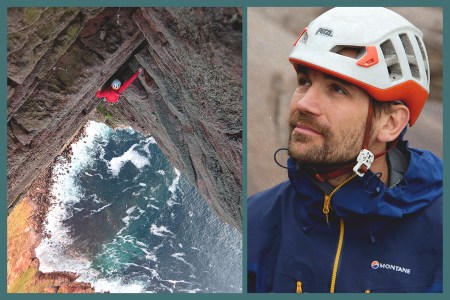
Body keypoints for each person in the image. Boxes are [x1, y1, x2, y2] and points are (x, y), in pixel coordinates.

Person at [247, 7, 442, 293]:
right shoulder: (256, 221)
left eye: (337, 89)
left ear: (390, 123)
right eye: (304, 82)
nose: (304, 104)